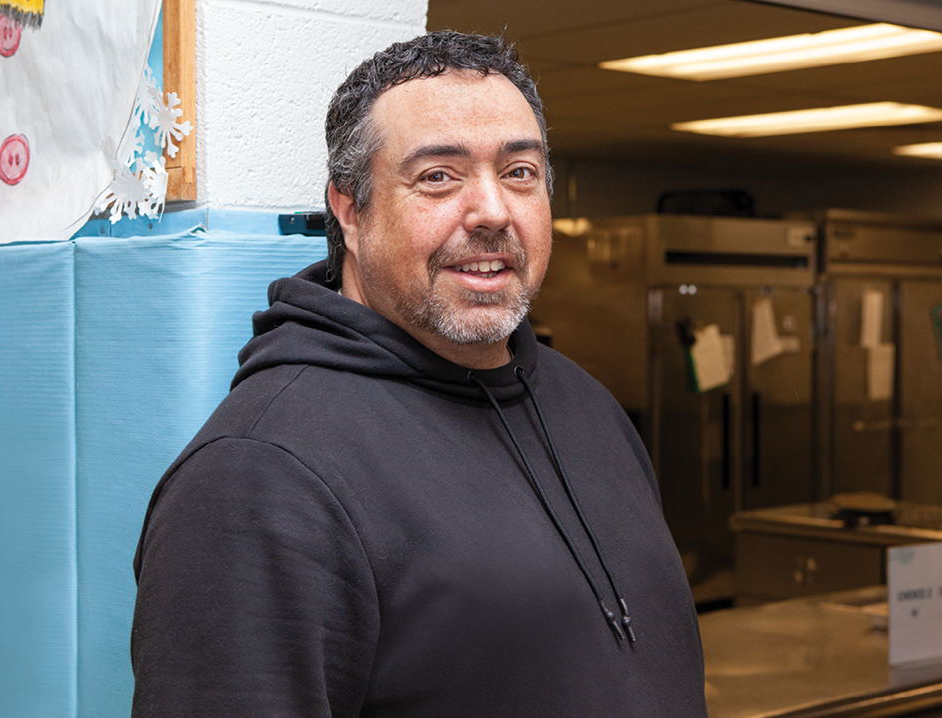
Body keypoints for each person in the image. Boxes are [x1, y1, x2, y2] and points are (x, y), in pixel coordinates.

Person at [131, 31, 708, 717]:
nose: (493, 211)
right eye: (439, 176)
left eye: (519, 172)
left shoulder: (587, 406)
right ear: (350, 210)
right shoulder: (259, 477)